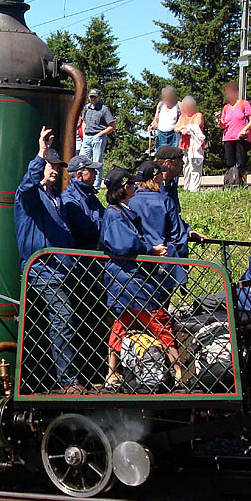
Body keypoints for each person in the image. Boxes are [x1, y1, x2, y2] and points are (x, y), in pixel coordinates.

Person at [99, 167, 178, 389]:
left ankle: (112, 372)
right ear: (125, 188)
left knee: (122, 324)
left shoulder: (121, 211)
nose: (135, 187)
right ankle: (178, 369)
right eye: (132, 184)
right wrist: (151, 249)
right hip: (128, 280)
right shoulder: (115, 214)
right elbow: (124, 244)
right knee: (157, 319)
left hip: (127, 278)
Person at [14, 127, 79, 392]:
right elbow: (27, 184)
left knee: (66, 319)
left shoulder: (57, 199)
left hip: (61, 269)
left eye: (57, 166)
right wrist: (41, 152)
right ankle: (68, 381)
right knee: (63, 316)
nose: (54, 170)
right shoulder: (30, 196)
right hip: (41, 269)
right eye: (50, 165)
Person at [154, 145, 207, 257]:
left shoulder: (171, 184)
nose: (183, 163)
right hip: (163, 251)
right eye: (180, 161)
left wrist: (188, 230)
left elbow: (173, 216)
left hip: (177, 247)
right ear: (168, 163)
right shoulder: (153, 187)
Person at [60, 154, 104, 250]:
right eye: (92, 170)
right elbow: (88, 230)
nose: (96, 174)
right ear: (80, 175)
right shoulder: (69, 200)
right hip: (80, 254)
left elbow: (105, 216)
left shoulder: (89, 195)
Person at [79, 89, 116, 189]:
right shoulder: (86, 108)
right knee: (81, 161)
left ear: (99, 97)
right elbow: (84, 122)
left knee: (97, 163)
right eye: (91, 96)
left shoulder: (104, 109)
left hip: (98, 138)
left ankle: (96, 187)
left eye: (95, 97)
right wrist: (84, 134)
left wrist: (100, 135)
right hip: (87, 137)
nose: (93, 99)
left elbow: (112, 126)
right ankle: (82, 183)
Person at [219, 82, 251, 181]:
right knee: (230, 163)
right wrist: (219, 120)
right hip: (228, 137)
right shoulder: (226, 107)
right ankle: (231, 182)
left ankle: (242, 182)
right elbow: (223, 125)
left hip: (240, 137)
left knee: (241, 162)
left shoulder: (244, 104)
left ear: (236, 93)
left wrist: (244, 130)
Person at [175, 95, 205, 192]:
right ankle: (186, 187)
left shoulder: (198, 115)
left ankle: (194, 189)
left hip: (196, 147)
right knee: (186, 167)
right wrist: (182, 129)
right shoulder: (182, 116)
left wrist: (184, 128)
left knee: (195, 167)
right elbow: (176, 128)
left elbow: (196, 126)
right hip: (185, 146)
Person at [150, 86, 181, 151]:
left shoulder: (178, 105)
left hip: (174, 135)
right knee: (160, 154)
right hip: (161, 135)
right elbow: (156, 120)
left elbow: (183, 119)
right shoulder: (160, 105)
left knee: (173, 154)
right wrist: (152, 126)